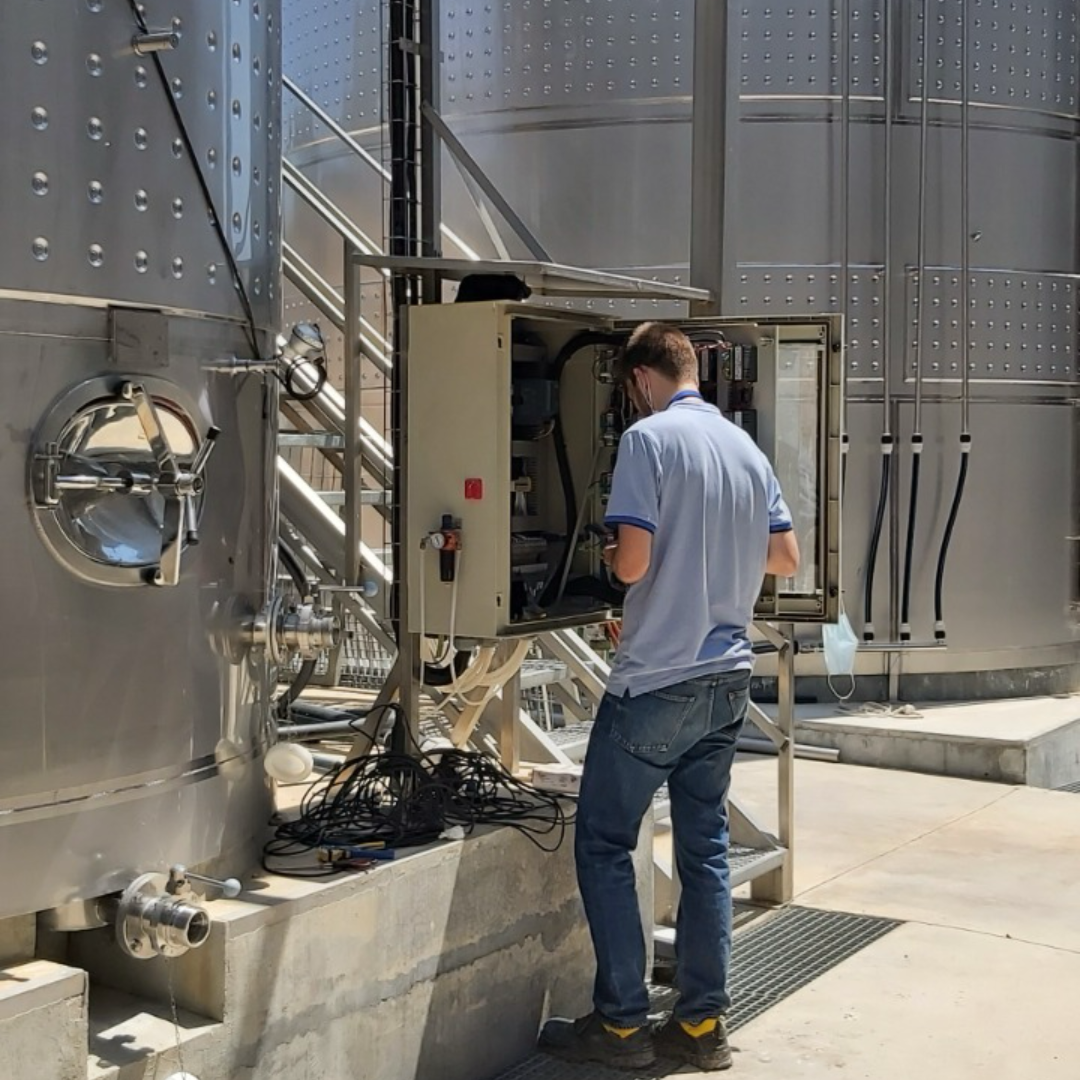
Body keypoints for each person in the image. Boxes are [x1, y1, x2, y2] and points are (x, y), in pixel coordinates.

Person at [538, 322, 799, 1072]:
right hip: (726, 677)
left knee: (606, 841)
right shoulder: (746, 450)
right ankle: (698, 1027)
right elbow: (785, 555)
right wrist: (715, 561)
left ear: (642, 380)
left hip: (657, 678)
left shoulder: (648, 442)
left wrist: (622, 558)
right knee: (705, 851)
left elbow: (632, 563)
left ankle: (621, 1026)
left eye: (629, 392)